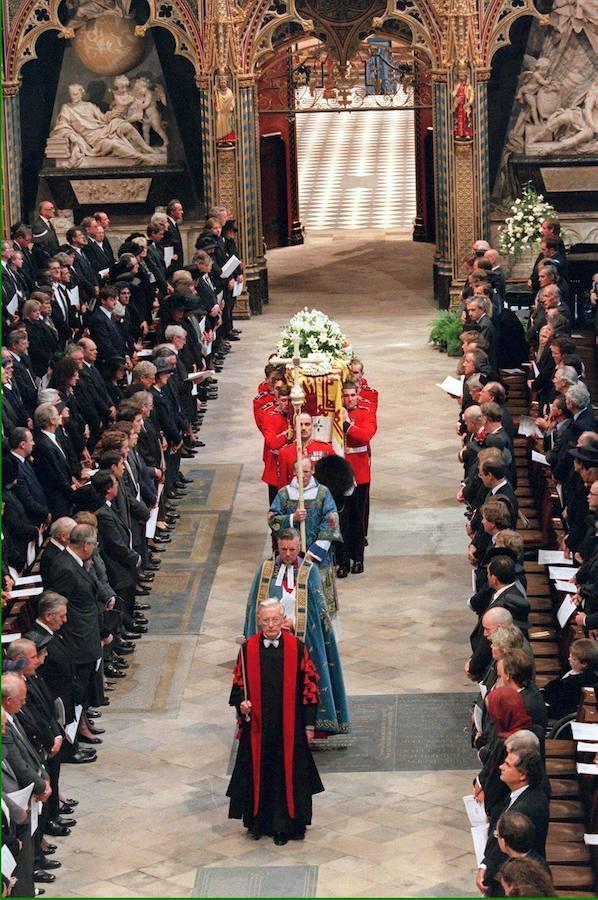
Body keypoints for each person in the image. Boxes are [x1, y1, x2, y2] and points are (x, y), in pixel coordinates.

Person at [226, 599, 324, 844]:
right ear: (260, 620)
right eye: (266, 620)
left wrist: (309, 725)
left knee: (285, 776)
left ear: (283, 620)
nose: (270, 625)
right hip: (258, 726)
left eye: (275, 620)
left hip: (289, 727)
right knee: (259, 773)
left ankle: (284, 826)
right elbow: (239, 687)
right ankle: (258, 823)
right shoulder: (247, 649)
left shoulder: (297, 648)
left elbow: (310, 690)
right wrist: (243, 705)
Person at [244, 528, 350, 735]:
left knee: (301, 685)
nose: (288, 554)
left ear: (299, 547)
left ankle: (308, 725)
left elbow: (319, 612)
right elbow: (253, 607)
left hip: (301, 641)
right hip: (271, 640)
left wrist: (294, 624)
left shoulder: (309, 572)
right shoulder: (265, 570)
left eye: (292, 549)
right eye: (283, 549)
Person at [268, 456, 341, 619]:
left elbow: (331, 520)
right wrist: (292, 518)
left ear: (313, 471)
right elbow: (272, 518)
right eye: (299, 472)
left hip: (318, 557)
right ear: (294, 472)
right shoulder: (285, 494)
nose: (303, 475)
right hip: (291, 557)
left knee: (320, 609)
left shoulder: (322, 493)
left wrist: (313, 552)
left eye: (307, 471)